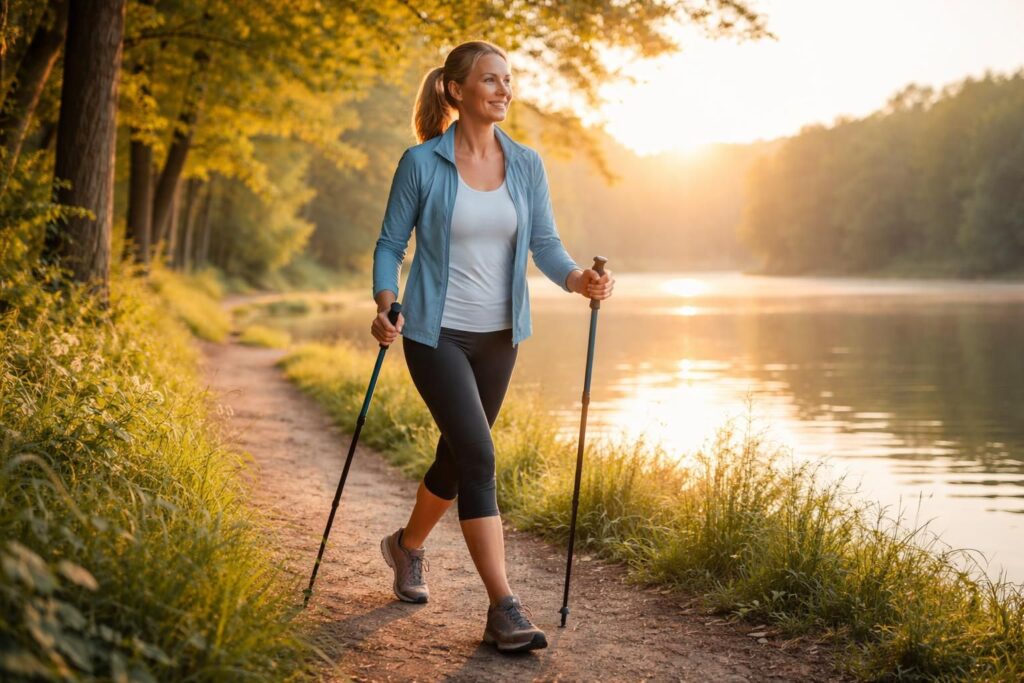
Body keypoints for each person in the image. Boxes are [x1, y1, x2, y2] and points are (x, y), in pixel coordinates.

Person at [370, 40, 614, 654]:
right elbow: (390, 244)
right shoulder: (423, 163)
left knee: (457, 459)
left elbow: (546, 245)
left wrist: (578, 278)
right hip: (433, 333)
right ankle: (502, 608)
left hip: (501, 337)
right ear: (456, 91)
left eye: (508, 80)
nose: (504, 90)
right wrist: (384, 301)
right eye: (490, 80)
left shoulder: (527, 164)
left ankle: (407, 547)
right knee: (480, 455)